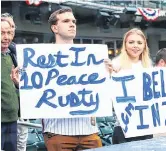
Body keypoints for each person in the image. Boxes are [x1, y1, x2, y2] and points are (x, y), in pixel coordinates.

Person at [42, 8, 102, 151]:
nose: (72, 24)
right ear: (54, 27)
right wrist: (21, 84)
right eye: (66, 21)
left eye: (74, 21)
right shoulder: (41, 57)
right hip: (58, 131)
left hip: (89, 130)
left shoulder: (91, 57)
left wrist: (109, 73)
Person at [106, 28, 153, 144]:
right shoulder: (115, 64)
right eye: (131, 42)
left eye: (139, 43)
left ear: (144, 46)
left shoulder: (149, 66)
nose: (135, 46)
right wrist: (109, 74)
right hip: (123, 126)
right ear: (125, 45)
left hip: (145, 126)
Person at [2, 12, 29, 151]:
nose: (7, 36)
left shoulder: (16, 52)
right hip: (4, 115)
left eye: (11, 29)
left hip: (17, 113)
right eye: (2, 32)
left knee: (18, 146)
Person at [1, 18, 19, 151]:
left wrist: (18, 84)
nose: (6, 37)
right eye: (2, 33)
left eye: (9, 33)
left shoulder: (13, 56)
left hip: (12, 118)